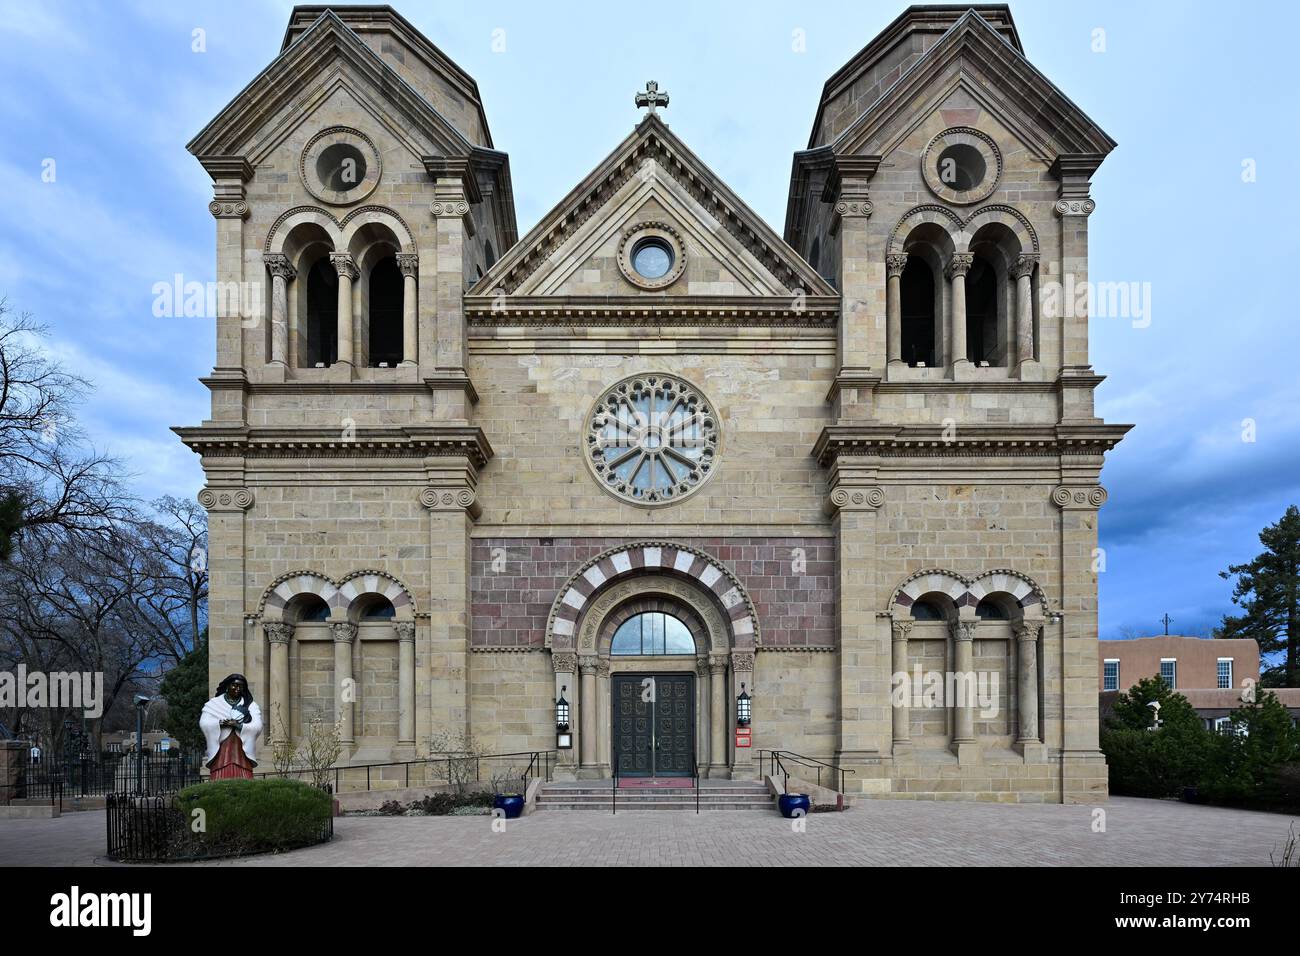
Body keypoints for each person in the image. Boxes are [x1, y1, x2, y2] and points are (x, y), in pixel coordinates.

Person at [200, 674, 263, 780]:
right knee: (220, 772)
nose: (237, 689)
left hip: (241, 748)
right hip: (222, 749)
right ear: (227, 686)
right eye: (234, 685)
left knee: (243, 773)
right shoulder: (214, 704)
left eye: (240, 686)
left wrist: (238, 725)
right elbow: (204, 722)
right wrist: (220, 723)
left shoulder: (250, 705)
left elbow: (257, 725)